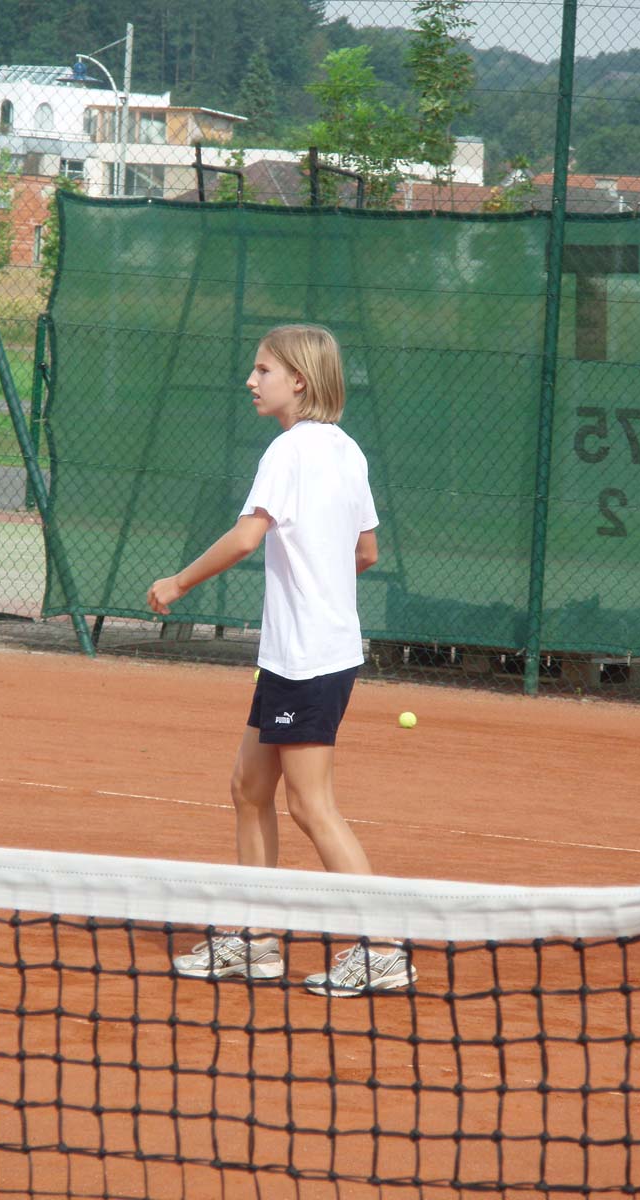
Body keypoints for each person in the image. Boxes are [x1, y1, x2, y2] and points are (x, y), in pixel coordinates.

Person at [146, 324, 415, 997]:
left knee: (311, 805)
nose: (251, 380)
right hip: (305, 652)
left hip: (307, 657)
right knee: (249, 787)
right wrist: (321, 575)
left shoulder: (288, 451)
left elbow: (246, 538)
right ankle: (254, 939)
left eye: (262, 370)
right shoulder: (348, 450)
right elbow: (367, 552)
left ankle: (383, 947)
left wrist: (178, 583)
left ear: (298, 379)